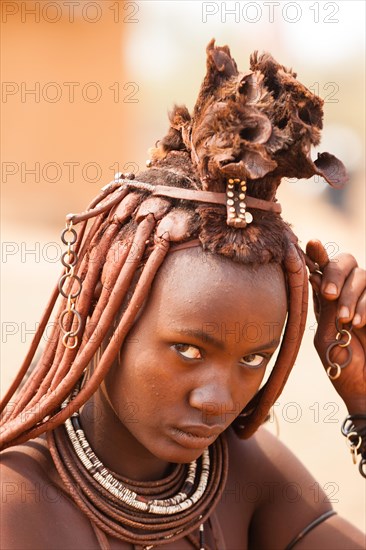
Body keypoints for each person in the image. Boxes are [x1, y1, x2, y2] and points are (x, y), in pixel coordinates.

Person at [0, 40, 365, 550]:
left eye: (253, 358)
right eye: (188, 350)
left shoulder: (242, 475)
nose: (217, 401)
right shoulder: (16, 504)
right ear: (107, 319)